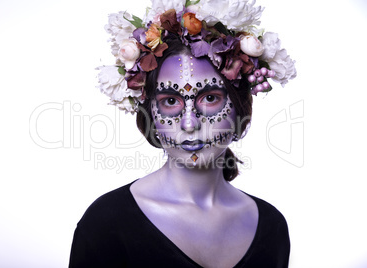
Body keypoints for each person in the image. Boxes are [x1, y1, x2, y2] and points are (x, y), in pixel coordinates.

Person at [69, 1, 296, 267]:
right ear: (150, 114)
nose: (189, 124)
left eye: (210, 98)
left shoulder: (272, 227)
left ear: (240, 108)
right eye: (170, 101)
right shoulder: (105, 224)